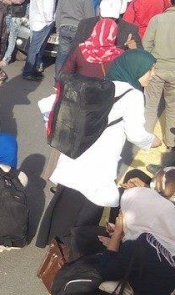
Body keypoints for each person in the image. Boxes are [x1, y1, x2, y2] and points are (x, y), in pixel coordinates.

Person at [36, 49, 161, 248]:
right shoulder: (133, 95)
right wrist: (152, 140)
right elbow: (136, 133)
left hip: (78, 151)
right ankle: (71, 252)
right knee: (88, 209)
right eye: (149, 70)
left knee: (67, 199)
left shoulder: (104, 85)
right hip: (100, 159)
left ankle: (52, 242)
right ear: (135, 69)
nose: (152, 74)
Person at [98, 187, 175, 295]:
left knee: (99, 282)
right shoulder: (168, 233)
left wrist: (116, 235)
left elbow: (106, 270)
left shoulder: (138, 246)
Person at [143, 0, 175, 149]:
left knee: (150, 105)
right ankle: (171, 142)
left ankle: (146, 139)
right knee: (172, 107)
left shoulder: (157, 20)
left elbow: (146, 44)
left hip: (157, 68)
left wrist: (151, 64)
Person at [22, 0, 62, 81]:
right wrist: (51, 21)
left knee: (36, 48)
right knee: (35, 48)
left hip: (37, 21)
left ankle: (32, 70)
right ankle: (28, 71)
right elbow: (48, 9)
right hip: (43, 23)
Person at [54, 0, 96, 77]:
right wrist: (90, 34)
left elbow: (58, 11)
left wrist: (58, 27)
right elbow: (89, 18)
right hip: (78, 29)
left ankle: (58, 80)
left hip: (63, 26)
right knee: (76, 57)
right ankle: (70, 81)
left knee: (62, 56)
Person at [60, 18, 125, 79]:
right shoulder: (120, 55)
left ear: (95, 30)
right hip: (108, 90)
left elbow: (65, 72)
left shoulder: (81, 50)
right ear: (113, 35)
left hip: (83, 88)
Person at [74, 0, 142, 50]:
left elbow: (140, 54)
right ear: (99, 11)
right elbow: (73, 50)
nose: (107, 21)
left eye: (112, 18)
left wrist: (135, 50)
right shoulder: (85, 25)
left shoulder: (129, 29)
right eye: (104, 17)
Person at [0, 0, 32, 67]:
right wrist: (11, 0)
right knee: (4, 35)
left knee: (12, 37)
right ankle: (2, 55)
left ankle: (6, 58)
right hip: (9, 12)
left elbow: (20, 0)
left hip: (18, 15)